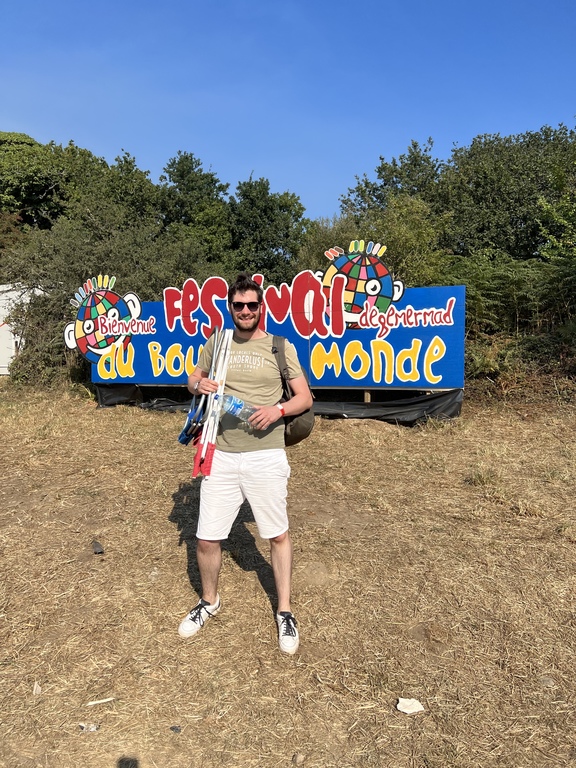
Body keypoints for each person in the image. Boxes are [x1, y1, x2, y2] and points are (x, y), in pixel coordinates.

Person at [178, 273, 313, 654]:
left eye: (252, 305)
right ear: (229, 307)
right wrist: (196, 385)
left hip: (266, 455)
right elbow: (193, 378)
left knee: (277, 534)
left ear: (261, 307)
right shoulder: (217, 342)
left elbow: (305, 397)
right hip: (220, 453)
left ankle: (284, 611)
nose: (245, 311)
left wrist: (277, 410)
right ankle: (209, 601)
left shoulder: (278, 346)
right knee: (206, 537)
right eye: (238, 305)